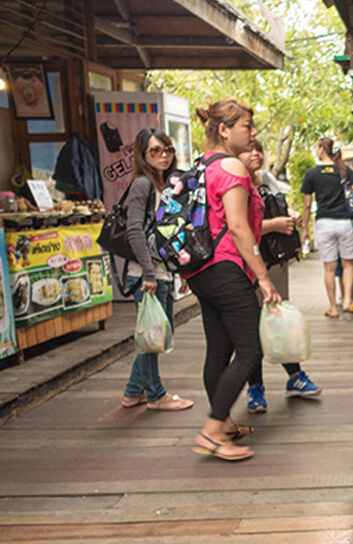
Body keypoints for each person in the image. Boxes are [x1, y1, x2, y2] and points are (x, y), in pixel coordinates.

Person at [187, 98, 281, 461]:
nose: (253, 133)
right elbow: (240, 228)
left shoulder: (204, 164)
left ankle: (223, 422)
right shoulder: (231, 167)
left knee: (219, 348)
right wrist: (263, 278)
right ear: (223, 130)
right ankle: (212, 430)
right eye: (246, 126)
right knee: (250, 350)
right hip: (227, 268)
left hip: (202, 269)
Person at [238, 141, 321, 413]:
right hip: (247, 263)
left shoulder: (268, 178)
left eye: (259, 150)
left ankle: (295, 377)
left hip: (275, 260)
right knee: (251, 328)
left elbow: (279, 205)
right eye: (249, 150)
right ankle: (255, 388)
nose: (256, 155)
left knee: (279, 318)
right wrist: (273, 225)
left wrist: (292, 215)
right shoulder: (235, 181)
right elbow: (236, 227)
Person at [119, 128, 194, 412]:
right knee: (154, 336)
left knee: (158, 333)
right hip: (145, 274)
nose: (163, 156)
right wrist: (149, 274)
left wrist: (181, 270)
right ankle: (156, 395)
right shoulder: (142, 184)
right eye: (155, 151)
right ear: (143, 154)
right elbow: (134, 230)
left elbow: (169, 233)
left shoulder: (167, 184)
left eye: (168, 150)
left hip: (161, 272)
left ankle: (132, 392)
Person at [300, 138, 353, 317]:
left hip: (324, 223)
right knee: (348, 264)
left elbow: (307, 205)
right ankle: (347, 301)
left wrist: (305, 229)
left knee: (329, 268)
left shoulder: (312, 173)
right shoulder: (344, 171)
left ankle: (333, 308)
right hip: (345, 223)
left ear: (322, 150)